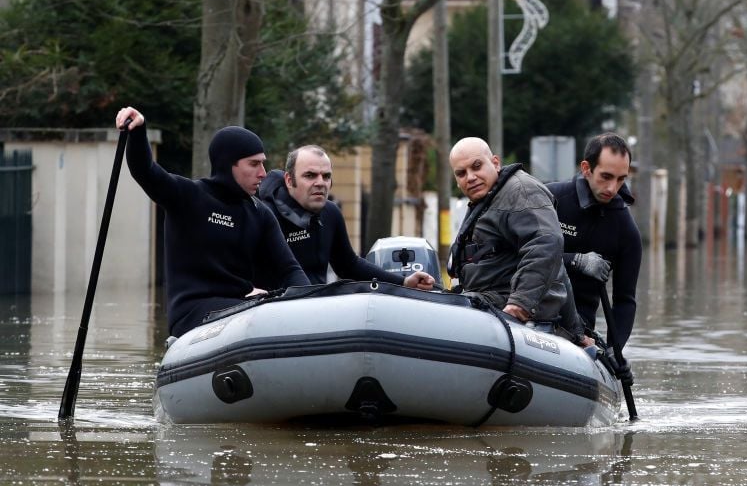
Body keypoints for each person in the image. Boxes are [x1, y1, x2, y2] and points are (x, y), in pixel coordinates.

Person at [114, 106, 309, 338]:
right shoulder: (188, 196)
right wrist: (138, 131)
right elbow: (146, 171)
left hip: (242, 307)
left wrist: (308, 304)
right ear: (229, 164)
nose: (264, 173)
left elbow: (289, 269)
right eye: (254, 164)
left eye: (263, 163)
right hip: (193, 314)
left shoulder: (260, 214)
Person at [447, 137, 589, 345]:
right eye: (461, 173)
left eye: (476, 166)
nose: (470, 177)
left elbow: (546, 244)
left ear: (495, 163)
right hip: (488, 301)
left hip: (513, 309)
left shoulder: (520, 192)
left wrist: (520, 303)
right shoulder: (487, 200)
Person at [256, 144, 436, 289]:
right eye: (310, 176)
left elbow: (348, 265)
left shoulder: (330, 213)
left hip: (314, 309)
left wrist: (403, 282)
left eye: (326, 176)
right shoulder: (264, 214)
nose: (320, 183)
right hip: (272, 314)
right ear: (289, 180)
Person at [547, 133, 641, 379]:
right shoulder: (551, 199)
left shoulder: (626, 230)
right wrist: (577, 261)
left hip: (578, 327)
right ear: (586, 168)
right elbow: (515, 254)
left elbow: (625, 300)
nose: (613, 188)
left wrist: (614, 349)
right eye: (606, 177)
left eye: (621, 179)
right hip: (530, 309)